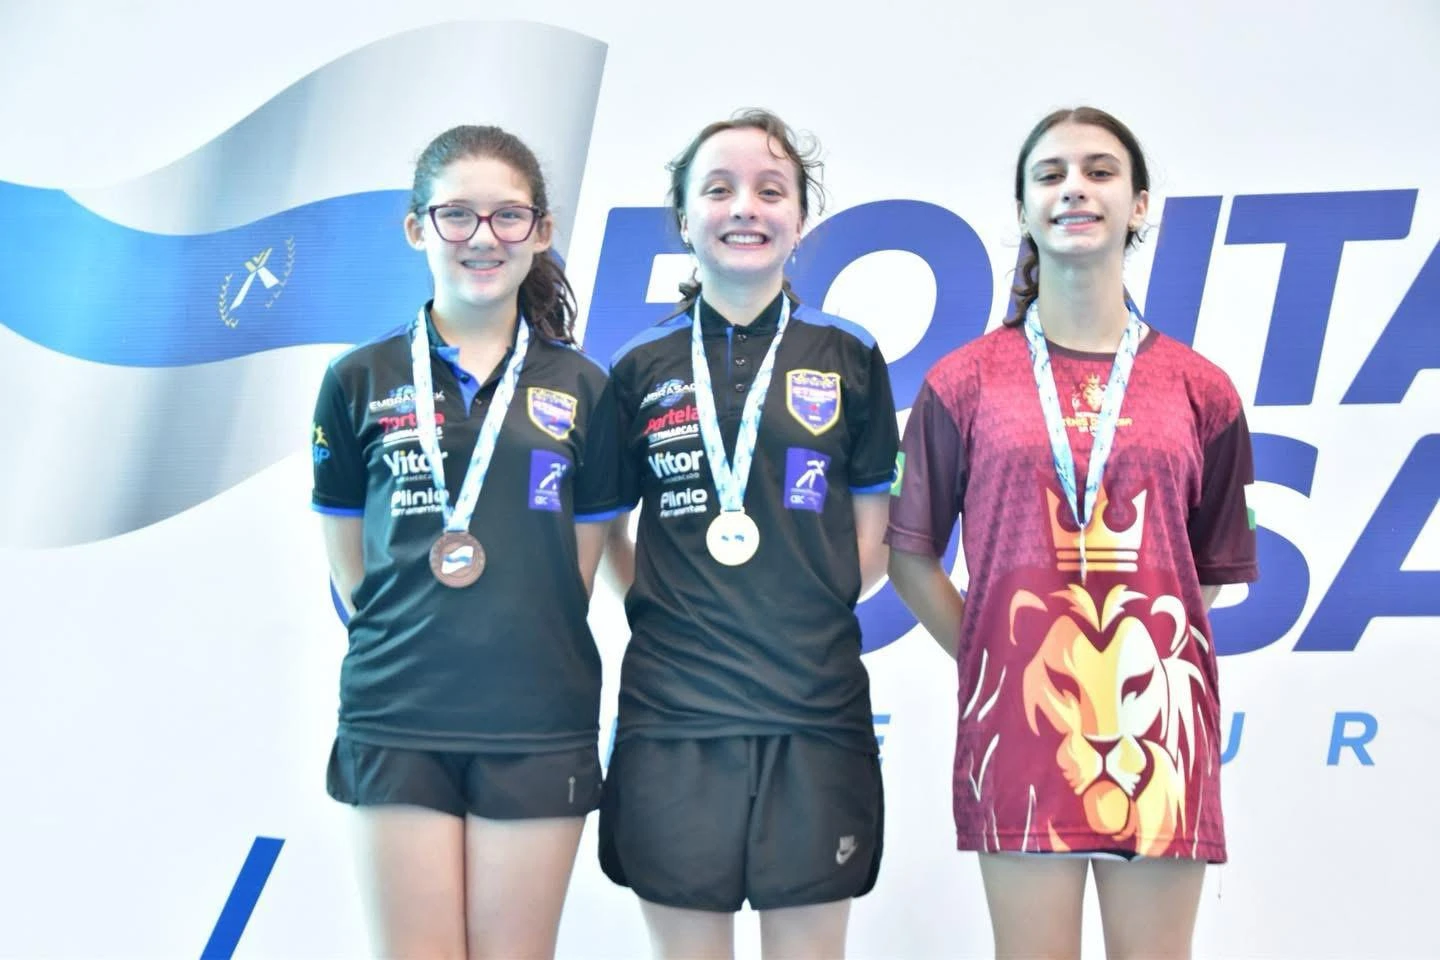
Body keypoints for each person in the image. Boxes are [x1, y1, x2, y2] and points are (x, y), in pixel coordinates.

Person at [886, 106, 1258, 960]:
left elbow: (1203, 572)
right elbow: (909, 556)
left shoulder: (1201, 388)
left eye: (1099, 171)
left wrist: (1136, 662)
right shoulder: (964, 380)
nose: (1074, 190)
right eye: (1050, 175)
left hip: (1160, 730)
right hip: (1021, 720)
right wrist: (998, 656)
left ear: (1140, 205)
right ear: (1023, 208)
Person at [309, 125, 620, 959]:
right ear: (417, 228)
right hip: (397, 711)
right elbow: (352, 567)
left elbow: (576, 572)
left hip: (537, 714)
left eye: (508, 215)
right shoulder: (358, 380)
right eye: (457, 214)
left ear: (541, 231)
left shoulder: (587, 387)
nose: (483, 236)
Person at [599, 109, 899, 959]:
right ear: (683, 216)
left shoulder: (848, 353)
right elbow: (609, 531)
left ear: (800, 218)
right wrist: (676, 609)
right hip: (674, 713)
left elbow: (875, 533)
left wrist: (799, 610)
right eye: (719, 189)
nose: (745, 209)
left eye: (771, 191)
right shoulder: (638, 365)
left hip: (814, 708)